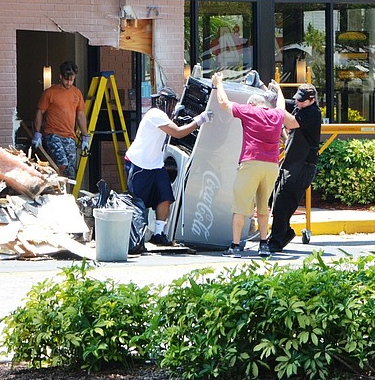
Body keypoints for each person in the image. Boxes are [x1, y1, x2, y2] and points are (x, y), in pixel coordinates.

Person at [212, 72, 298, 256]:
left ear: (252, 103)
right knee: (263, 207)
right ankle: (264, 245)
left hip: (251, 162)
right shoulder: (275, 114)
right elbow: (281, 105)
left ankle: (235, 246)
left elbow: (223, 103)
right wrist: (279, 90)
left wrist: (219, 83)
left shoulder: (249, 111)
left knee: (240, 207)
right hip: (271, 166)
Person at [123, 87, 213, 247]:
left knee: (165, 197)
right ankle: (135, 238)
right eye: (172, 103)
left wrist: (179, 116)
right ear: (164, 103)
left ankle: (159, 233)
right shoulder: (155, 114)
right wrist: (199, 120)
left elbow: (174, 124)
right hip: (139, 163)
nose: (173, 107)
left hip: (155, 164)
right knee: (139, 203)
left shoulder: (162, 115)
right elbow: (177, 133)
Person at [268, 83, 322, 253]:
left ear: (312, 100)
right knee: (274, 200)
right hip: (291, 164)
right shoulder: (301, 106)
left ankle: (276, 241)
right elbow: (282, 104)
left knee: (283, 203)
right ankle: (285, 233)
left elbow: (289, 121)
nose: (298, 103)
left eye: (302, 101)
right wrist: (265, 88)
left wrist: (280, 97)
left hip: (302, 167)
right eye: (297, 100)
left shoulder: (312, 113)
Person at [32, 61, 89, 179]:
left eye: (71, 80)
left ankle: (67, 195)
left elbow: (80, 115)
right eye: (66, 79)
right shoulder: (50, 93)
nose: (68, 83)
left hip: (69, 137)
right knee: (62, 163)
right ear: (60, 76)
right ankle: (56, 189)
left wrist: (85, 137)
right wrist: (37, 134)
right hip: (53, 135)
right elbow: (40, 112)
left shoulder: (77, 93)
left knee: (70, 172)